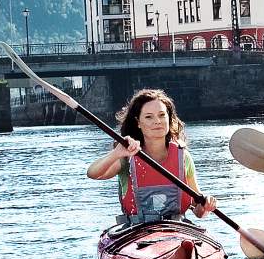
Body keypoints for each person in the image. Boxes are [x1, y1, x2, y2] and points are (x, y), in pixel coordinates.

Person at [87, 88, 217, 228]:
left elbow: (197, 209)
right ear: (138, 122)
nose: (157, 121)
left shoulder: (183, 157)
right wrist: (116, 153)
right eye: (149, 117)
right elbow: (93, 173)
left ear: (169, 118)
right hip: (136, 232)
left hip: (177, 230)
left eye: (162, 115)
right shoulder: (127, 156)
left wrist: (205, 207)